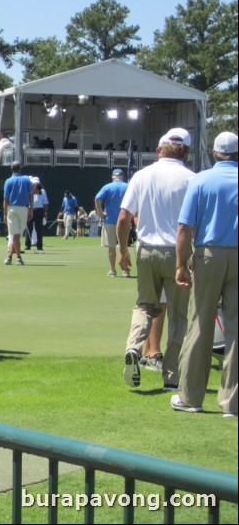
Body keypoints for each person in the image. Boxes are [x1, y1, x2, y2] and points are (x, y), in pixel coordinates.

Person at [118, 127, 195, 392]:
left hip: (146, 250)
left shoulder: (141, 175)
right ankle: (171, 377)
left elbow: (123, 218)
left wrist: (122, 250)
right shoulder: (191, 179)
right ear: (185, 150)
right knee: (177, 316)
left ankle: (133, 348)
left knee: (145, 306)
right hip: (178, 252)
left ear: (161, 147)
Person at [171, 131, 237, 417]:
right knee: (236, 329)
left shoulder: (201, 179)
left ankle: (190, 397)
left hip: (208, 254)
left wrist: (180, 264)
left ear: (214, 153)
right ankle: (232, 404)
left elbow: (185, 228)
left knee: (200, 324)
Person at [95, 168, 130, 277]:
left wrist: (100, 213)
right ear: (122, 177)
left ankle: (113, 270)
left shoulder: (107, 187)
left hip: (110, 220)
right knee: (123, 246)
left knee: (111, 247)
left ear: (113, 177)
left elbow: (97, 198)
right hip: (124, 220)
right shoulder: (128, 186)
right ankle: (126, 271)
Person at [2, 160, 33, 265]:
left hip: (12, 208)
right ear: (20, 169)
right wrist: (31, 209)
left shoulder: (8, 181)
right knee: (16, 235)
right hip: (23, 209)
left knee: (15, 235)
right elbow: (31, 195)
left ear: (11, 169)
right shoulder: (26, 179)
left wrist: (5, 213)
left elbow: (5, 199)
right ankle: (18, 258)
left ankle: (10, 257)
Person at [25, 177, 48, 253]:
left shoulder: (42, 191)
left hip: (39, 211)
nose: (35, 184)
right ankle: (27, 245)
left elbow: (45, 203)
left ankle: (39, 246)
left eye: (37, 183)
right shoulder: (28, 190)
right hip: (29, 210)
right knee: (29, 228)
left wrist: (45, 214)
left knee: (39, 229)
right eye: (34, 183)